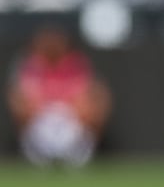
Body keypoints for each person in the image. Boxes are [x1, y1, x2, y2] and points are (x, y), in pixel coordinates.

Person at [6, 25, 112, 168]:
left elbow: (88, 96)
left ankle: (77, 154)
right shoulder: (31, 65)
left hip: (72, 121)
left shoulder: (76, 64)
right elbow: (23, 98)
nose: (52, 45)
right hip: (40, 121)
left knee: (90, 104)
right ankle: (39, 155)